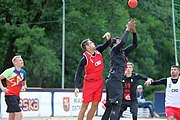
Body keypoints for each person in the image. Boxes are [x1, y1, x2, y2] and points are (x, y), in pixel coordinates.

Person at [101, 19, 137, 120]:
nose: (121, 41)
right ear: (114, 44)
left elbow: (135, 45)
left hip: (112, 79)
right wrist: (128, 28)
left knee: (109, 107)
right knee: (116, 106)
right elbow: (124, 41)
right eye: (118, 41)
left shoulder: (123, 52)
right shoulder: (114, 50)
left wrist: (134, 32)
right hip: (115, 79)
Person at [74, 32, 111, 120]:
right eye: (91, 43)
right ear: (87, 47)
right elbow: (78, 73)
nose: (93, 43)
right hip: (89, 83)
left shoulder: (98, 51)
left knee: (95, 105)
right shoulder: (84, 59)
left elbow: (106, 44)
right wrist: (76, 86)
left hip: (99, 82)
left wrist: (109, 38)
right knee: (85, 105)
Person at [0, 55, 27, 120]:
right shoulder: (10, 71)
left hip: (17, 95)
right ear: (15, 62)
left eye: (22, 60)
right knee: (19, 114)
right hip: (10, 95)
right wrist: (2, 88)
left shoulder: (23, 72)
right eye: (20, 60)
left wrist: (24, 87)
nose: (22, 61)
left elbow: (24, 84)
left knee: (12, 116)